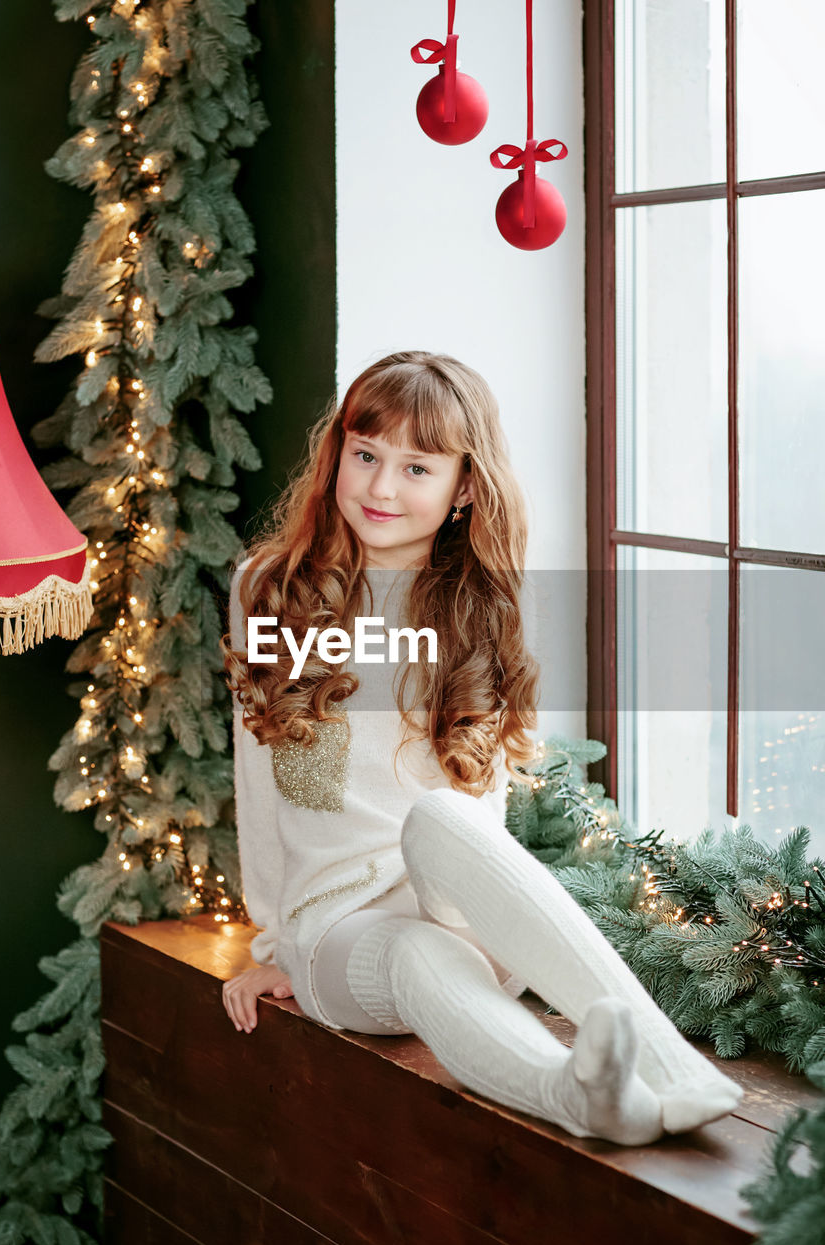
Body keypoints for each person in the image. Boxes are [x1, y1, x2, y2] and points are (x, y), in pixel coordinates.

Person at [220, 350, 742, 1145]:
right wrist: (274, 940)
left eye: (416, 468)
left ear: (465, 487)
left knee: (441, 817)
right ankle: (582, 1099)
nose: (381, 488)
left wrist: (473, 923)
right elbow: (256, 782)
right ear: (337, 457)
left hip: (462, 905)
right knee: (413, 954)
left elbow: (482, 800)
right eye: (365, 456)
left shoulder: (482, 606)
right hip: (340, 929)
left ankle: (673, 1072)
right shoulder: (268, 588)